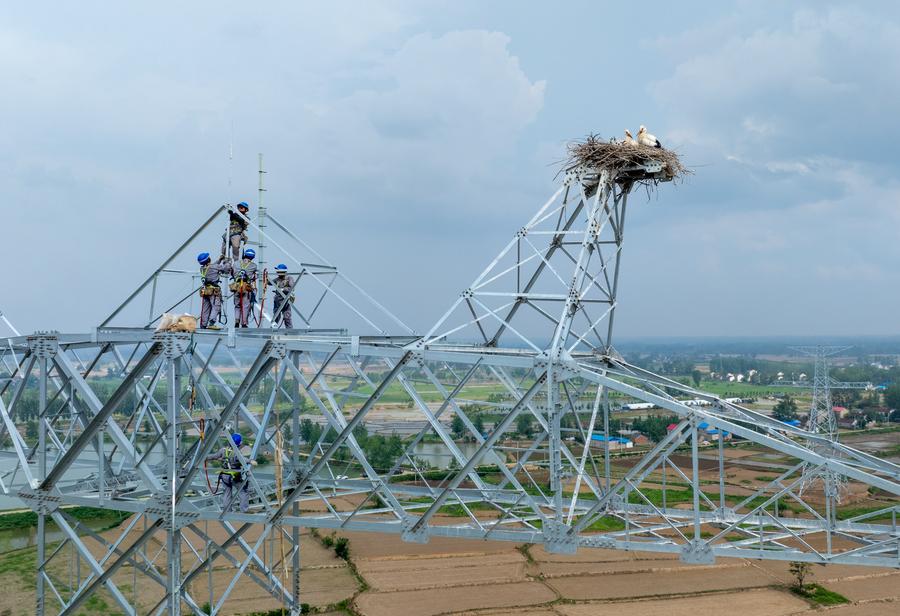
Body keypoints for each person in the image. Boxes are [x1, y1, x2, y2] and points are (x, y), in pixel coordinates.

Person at [207, 433, 256, 513]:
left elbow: (215, 456)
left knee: (227, 493)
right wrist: (251, 461)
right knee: (243, 492)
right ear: (239, 443)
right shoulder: (237, 453)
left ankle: (227, 511)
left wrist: (206, 457)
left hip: (225, 475)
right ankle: (244, 510)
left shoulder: (223, 450)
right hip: (235, 475)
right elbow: (243, 460)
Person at [197, 252, 232, 329]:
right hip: (213, 291)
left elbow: (212, 266)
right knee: (216, 306)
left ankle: (203, 324)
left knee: (206, 308)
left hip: (206, 290)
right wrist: (228, 261)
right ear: (208, 259)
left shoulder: (202, 269)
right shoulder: (214, 267)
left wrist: (219, 260)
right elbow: (225, 268)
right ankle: (211, 323)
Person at [230, 248, 257, 327]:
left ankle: (237, 321)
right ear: (252, 257)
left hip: (237, 286)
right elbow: (256, 276)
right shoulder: (253, 266)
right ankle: (244, 323)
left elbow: (232, 273)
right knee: (245, 306)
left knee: (237, 305)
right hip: (246, 287)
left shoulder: (236, 263)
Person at [269, 263, 296, 328]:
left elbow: (292, 288)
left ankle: (289, 332)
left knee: (287, 317)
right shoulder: (277, 279)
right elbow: (270, 282)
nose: (277, 273)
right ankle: (272, 331)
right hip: (277, 301)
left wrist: (283, 289)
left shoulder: (289, 278)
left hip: (286, 301)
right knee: (276, 317)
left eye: (278, 271)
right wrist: (264, 276)